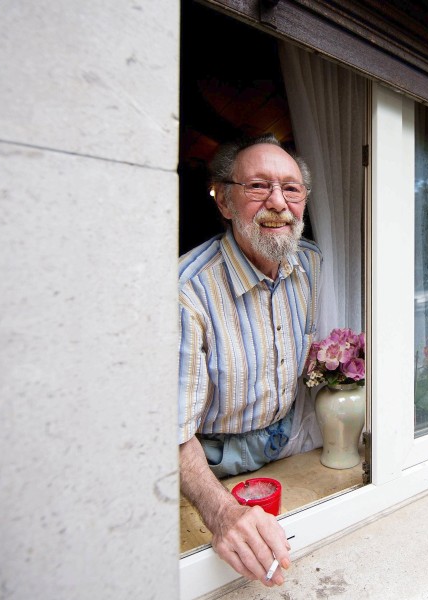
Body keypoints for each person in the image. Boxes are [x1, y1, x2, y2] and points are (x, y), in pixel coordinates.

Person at [178, 134, 322, 586]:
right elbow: (168, 434)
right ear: (223, 201)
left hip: (289, 448)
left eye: (291, 189)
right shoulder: (185, 293)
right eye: (258, 187)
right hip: (206, 471)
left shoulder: (313, 264)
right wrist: (222, 513)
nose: (278, 202)